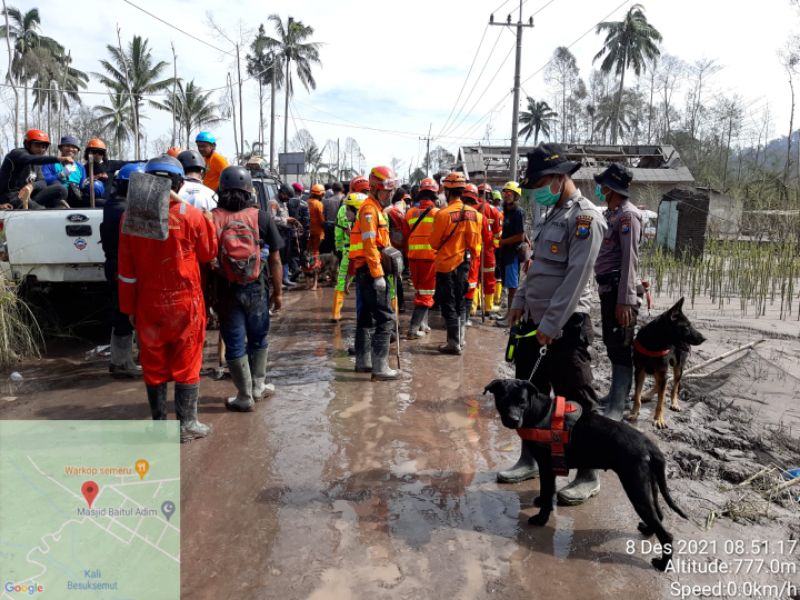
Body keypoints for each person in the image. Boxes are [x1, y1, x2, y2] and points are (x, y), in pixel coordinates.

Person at [502, 143, 606, 506]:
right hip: (534, 324)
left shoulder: (585, 218)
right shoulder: (549, 216)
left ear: (561, 178)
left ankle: (588, 474)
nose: (537, 190)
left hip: (565, 326)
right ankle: (530, 459)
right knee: (529, 395)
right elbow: (537, 269)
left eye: (542, 182)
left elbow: (575, 279)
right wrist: (518, 301)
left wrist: (550, 323)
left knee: (578, 401)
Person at [117, 154, 218, 442]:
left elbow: (127, 270)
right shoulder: (191, 215)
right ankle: (187, 425)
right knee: (187, 360)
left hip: (148, 303)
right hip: (185, 303)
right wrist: (207, 222)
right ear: (178, 183)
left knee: (154, 363)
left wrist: (129, 307)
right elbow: (208, 254)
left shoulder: (130, 217)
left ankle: (160, 426)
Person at [210, 166, 284, 412]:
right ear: (249, 190)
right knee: (258, 337)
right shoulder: (261, 216)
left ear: (221, 189)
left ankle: (243, 396)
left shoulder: (212, 218)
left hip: (225, 290)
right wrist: (278, 292)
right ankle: (258, 387)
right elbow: (275, 260)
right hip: (256, 288)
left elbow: (206, 260)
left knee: (234, 342)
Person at [593, 163, 642, 421]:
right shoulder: (613, 214)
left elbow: (629, 260)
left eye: (603, 185)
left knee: (621, 347)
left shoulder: (627, 217)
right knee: (612, 345)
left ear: (611, 189)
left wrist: (625, 301)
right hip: (608, 289)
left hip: (618, 292)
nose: (600, 189)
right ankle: (614, 395)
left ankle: (618, 405)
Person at [349, 165, 400, 380]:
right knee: (386, 318)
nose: (390, 194)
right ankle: (380, 368)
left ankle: (364, 362)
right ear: (376, 188)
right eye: (387, 190)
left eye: (391, 190)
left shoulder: (376, 209)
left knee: (367, 317)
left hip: (368, 270)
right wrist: (378, 274)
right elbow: (370, 245)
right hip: (370, 271)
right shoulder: (370, 210)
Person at [101, 162, 146, 378]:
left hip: (113, 263)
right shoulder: (124, 210)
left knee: (120, 310)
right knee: (123, 313)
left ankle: (120, 359)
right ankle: (121, 363)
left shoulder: (113, 204)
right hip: (121, 265)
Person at [429, 172, 481, 355]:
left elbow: (434, 243)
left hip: (446, 265)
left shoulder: (443, 214)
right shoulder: (475, 215)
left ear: (448, 191)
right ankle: (461, 338)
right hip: (464, 265)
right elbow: (476, 246)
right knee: (460, 301)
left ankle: (453, 343)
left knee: (448, 303)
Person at [403, 177, 439, 338]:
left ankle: (423, 325)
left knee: (420, 292)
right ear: (434, 196)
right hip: (429, 259)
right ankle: (412, 329)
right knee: (426, 294)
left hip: (413, 258)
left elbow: (405, 236)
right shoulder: (438, 214)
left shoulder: (410, 213)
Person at [0, 129, 72, 209]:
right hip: (11, 197)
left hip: (29, 197)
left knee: (61, 189)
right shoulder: (17, 154)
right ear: (27, 144)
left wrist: (32, 186)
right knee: (40, 210)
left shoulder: (37, 164)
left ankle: (59, 211)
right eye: (37, 145)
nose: (41, 149)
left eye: (44, 147)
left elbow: (42, 182)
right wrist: (58, 159)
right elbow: (28, 159)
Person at [331, 176, 370, 322]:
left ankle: (336, 313)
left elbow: (338, 232)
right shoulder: (372, 208)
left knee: (342, 280)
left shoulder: (343, 209)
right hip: (369, 252)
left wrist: (339, 248)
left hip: (349, 251)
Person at [461, 183, 492, 326]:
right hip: (473, 258)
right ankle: (465, 318)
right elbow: (488, 238)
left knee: (455, 286)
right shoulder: (481, 217)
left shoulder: (449, 213)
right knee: (470, 286)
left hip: (454, 256)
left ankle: (453, 320)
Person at [496, 181, 525, 324]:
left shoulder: (518, 212)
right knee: (508, 285)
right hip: (505, 253)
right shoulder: (506, 211)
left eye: (510, 193)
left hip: (513, 254)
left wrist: (503, 242)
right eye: (505, 192)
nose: (506, 195)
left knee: (513, 287)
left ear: (516, 196)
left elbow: (520, 236)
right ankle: (508, 314)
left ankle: (511, 319)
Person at [477, 183, 502, 315]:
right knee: (489, 278)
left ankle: (473, 307)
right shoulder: (494, 211)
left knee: (474, 278)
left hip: (474, 249)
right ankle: (488, 307)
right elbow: (498, 234)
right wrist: (495, 246)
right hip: (488, 251)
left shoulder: (471, 208)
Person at [386, 188, 408, 313]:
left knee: (392, 276)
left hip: (389, 246)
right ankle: (400, 304)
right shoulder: (399, 211)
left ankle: (397, 304)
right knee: (397, 275)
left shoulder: (389, 210)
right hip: (398, 247)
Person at [286, 184, 310, 281]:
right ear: (300, 192)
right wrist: (307, 233)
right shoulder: (304, 204)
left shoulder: (286, 202)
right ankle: (302, 271)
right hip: (301, 233)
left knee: (292, 253)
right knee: (302, 252)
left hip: (289, 232)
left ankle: (295, 271)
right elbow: (307, 221)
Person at [305, 183, 326, 290]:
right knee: (316, 255)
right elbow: (322, 220)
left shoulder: (306, 202)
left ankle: (308, 280)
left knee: (308, 255)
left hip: (308, 233)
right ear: (321, 194)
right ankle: (315, 282)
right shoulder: (318, 204)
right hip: (318, 233)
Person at [322, 181, 344, 255]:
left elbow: (323, 216)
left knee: (328, 250)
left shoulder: (326, 201)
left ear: (333, 189)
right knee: (340, 251)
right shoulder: (346, 200)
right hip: (342, 228)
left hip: (329, 228)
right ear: (342, 189)